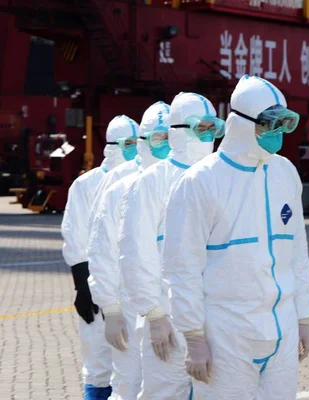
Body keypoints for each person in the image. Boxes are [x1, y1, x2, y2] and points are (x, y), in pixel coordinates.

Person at [162, 75, 309, 399]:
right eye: (269, 125)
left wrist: (303, 316)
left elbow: (297, 252)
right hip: (227, 334)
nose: (276, 135)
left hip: (281, 329)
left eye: (282, 125)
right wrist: (193, 336)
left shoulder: (285, 172)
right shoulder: (201, 182)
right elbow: (182, 267)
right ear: (242, 124)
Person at [119, 92, 221, 399]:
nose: (206, 136)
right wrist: (154, 314)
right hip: (170, 322)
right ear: (178, 130)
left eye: (211, 128)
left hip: (220, 320)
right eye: (199, 128)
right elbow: (135, 252)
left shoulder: (222, 176)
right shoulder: (150, 182)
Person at [87, 102, 170, 400]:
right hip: (129, 302)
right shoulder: (120, 183)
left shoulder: (184, 178)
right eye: (158, 138)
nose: (165, 146)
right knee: (128, 384)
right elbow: (102, 249)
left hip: (170, 305)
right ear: (143, 140)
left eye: (169, 137)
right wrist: (110, 309)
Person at [60, 115, 137, 400]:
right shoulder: (87, 185)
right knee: (98, 364)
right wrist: (83, 288)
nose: (133, 149)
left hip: (131, 291)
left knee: (132, 365)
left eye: (135, 143)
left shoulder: (145, 178)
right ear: (111, 146)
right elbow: (75, 237)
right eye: (127, 144)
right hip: (96, 288)